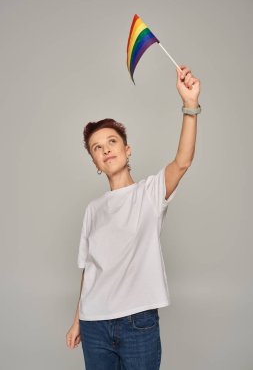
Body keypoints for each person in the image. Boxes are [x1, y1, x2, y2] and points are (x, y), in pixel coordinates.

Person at [66, 64, 201, 369]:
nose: (106, 150)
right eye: (96, 148)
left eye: (112, 142)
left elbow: (182, 162)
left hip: (137, 322)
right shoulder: (93, 209)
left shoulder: (150, 193)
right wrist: (77, 321)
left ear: (127, 150)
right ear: (96, 163)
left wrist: (190, 105)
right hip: (94, 322)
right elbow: (88, 270)